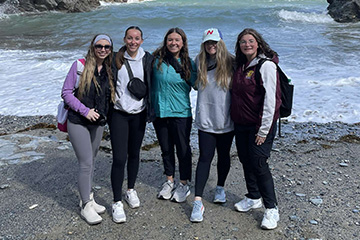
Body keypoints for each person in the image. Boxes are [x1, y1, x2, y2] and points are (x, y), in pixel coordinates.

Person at [61, 34, 115, 225]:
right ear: (93, 47)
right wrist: (85, 111)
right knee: (85, 163)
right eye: (99, 46)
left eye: (107, 47)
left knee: (91, 161)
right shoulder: (79, 66)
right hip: (78, 121)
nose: (103, 50)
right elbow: (66, 93)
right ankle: (85, 206)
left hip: (98, 123)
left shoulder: (109, 69)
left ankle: (89, 198)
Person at [231, 28, 281, 230]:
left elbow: (272, 100)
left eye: (250, 41)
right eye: (243, 42)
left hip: (260, 124)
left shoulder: (266, 65)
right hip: (241, 123)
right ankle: (253, 197)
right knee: (245, 159)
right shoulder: (242, 66)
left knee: (259, 162)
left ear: (258, 43)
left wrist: (263, 130)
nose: (247, 45)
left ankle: (271, 208)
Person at [109, 26, 154, 223]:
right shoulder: (115, 59)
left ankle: (130, 190)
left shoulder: (148, 59)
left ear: (142, 41)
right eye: (129, 38)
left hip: (139, 114)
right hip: (118, 114)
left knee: (135, 154)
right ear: (124, 39)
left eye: (137, 38)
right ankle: (117, 201)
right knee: (119, 158)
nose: (133, 42)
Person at [190, 28, 234, 222]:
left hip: (226, 120)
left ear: (221, 43)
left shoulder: (231, 62)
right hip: (205, 120)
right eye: (208, 42)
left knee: (224, 156)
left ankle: (220, 188)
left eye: (215, 42)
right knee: (204, 158)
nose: (211, 46)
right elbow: (190, 83)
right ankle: (197, 201)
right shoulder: (198, 62)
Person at [151, 27, 197, 203]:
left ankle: (184, 183)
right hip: (160, 112)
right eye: (170, 39)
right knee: (166, 148)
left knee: (183, 149)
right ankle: (169, 181)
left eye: (177, 40)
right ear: (166, 41)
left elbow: (199, 85)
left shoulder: (189, 63)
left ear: (183, 43)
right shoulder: (156, 60)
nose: (173, 43)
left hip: (181, 113)